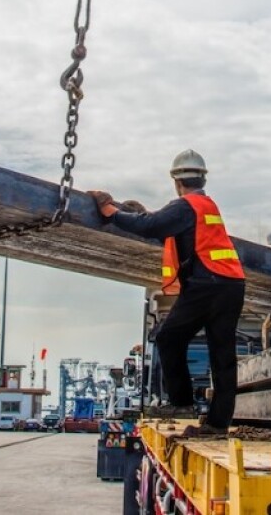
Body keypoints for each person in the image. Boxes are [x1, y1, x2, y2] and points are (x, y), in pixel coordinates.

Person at [90, 149, 245, 434]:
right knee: (222, 356)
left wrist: (111, 212)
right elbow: (165, 226)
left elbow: (152, 226)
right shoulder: (206, 205)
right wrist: (138, 215)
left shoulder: (186, 206)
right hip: (231, 284)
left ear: (177, 181)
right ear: (202, 178)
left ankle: (182, 402)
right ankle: (218, 423)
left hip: (206, 285)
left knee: (168, 337)